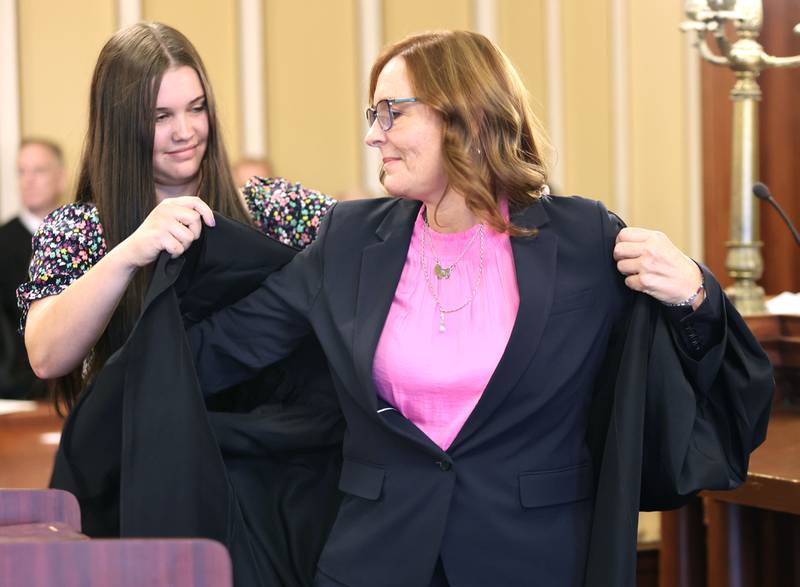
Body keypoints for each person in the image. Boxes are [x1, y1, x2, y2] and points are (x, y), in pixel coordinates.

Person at [187, 30, 773, 586]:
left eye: (392, 111)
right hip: (375, 559)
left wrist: (695, 295)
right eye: (373, 114)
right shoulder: (345, 243)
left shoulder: (584, 239)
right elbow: (222, 350)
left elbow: (671, 376)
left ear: (462, 114)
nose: (373, 134)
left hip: (533, 560)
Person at [17, 22, 340, 587]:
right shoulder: (81, 229)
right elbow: (46, 354)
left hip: (273, 499)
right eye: (161, 117)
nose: (186, 131)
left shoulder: (267, 207)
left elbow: (364, 240)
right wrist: (127, 254)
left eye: (196, 108)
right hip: (141, 500)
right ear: (121, 127)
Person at [0, 139, 65, 398]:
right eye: (22, 172)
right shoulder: (3, 244)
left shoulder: (83, 238)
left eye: (39, 170)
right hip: (19, 391)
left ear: (61, 177)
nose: (28, 180)